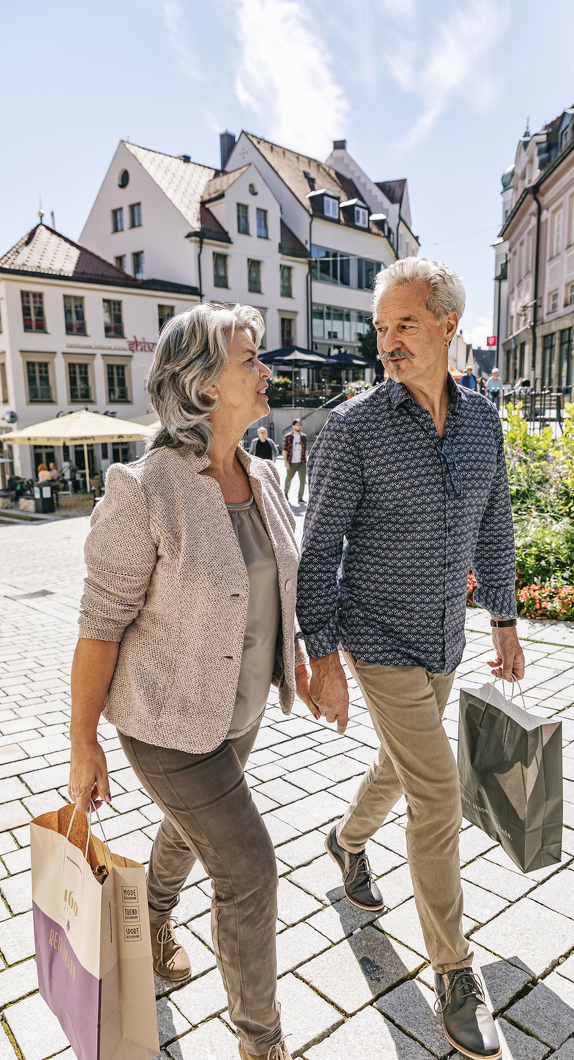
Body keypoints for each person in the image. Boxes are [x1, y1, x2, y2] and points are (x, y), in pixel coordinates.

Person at [68, 303, 317, 1060]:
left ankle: (153, 912)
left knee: (188, 826)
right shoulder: (144, 488)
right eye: (250, 359)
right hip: (166, 723)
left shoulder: (264, 472)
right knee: (248, 866)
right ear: (206, 384)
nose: (266, 370)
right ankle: (259, 1040)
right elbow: (100, 623)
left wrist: (295, 654)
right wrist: (84, 742)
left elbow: (272, 585)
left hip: (237, 713)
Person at [297, 258, 525, 1060]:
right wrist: (321, 655)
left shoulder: (484, 421)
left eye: (405, 326)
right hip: (378, 636)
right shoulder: (356, 427)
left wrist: (504, 616)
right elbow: (318, 547)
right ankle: (453, 971)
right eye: (381, 328)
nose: (387, 343)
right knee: (437, 792)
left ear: (447, 326)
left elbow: (494, 523)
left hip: (444, 636)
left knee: (401, 768)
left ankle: (346, 842)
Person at [282, 419, 307, 504]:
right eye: (297, 425)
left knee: (303, 481)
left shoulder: (303, 436)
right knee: (288, 479)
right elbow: (284, 450)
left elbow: (306, 450)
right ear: (293, 426)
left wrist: (305, 461)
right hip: (291, 462)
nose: (299, 426)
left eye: (300, 425)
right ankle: (285, 494)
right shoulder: (288, 436)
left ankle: (300, 498)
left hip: (301, 463)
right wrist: (286, 462)